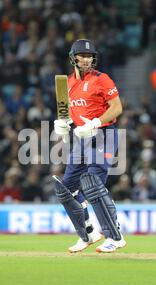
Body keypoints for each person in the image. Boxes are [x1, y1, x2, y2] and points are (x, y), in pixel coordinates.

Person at [53, 39, 126, 253]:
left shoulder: (102, 79)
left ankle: (115, 236)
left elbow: (117, 108)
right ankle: (88, 232)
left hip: (104, 134)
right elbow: (66, 114)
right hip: (81, 138)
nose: (86, 59)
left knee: (93, 184)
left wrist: (96, 122)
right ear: (73, 57)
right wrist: (63, 124)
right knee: (67, 188)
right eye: (82, 56)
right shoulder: (65, 84)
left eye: (89, 56)